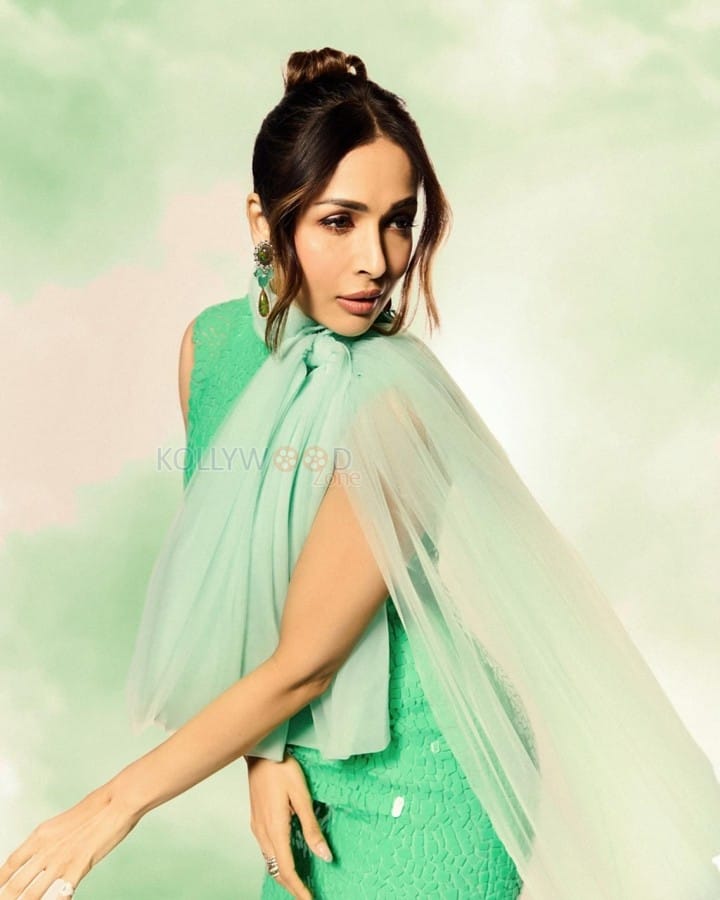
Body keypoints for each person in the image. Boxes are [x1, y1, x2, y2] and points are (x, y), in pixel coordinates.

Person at [2, 46, 720, 900]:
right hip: (303, 770)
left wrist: (106, 809)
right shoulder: (211, 349)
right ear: (264, 220)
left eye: (398, 221)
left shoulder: (396, 405)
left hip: (425, 789)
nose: (378, 260)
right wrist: (264, 758)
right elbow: (241, 593)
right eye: (340, 221)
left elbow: (305, 663)